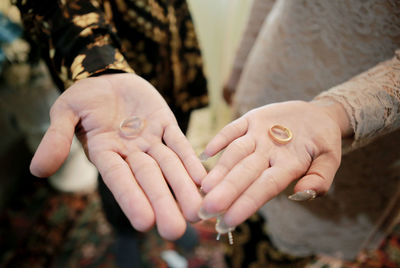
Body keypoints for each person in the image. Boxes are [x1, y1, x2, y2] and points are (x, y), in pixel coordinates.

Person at [198, 0, 400, 266]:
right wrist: (239, 68)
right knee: (242, 198)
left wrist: (336, 112)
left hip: (354, 126)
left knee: (292, 237)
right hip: (271, 76)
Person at [14, 0, 209, 266]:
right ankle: (124, 229)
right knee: (118, 164)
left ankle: (171, 207)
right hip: (105, 70)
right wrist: (99, 64)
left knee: (169, 150)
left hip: (173, 56)